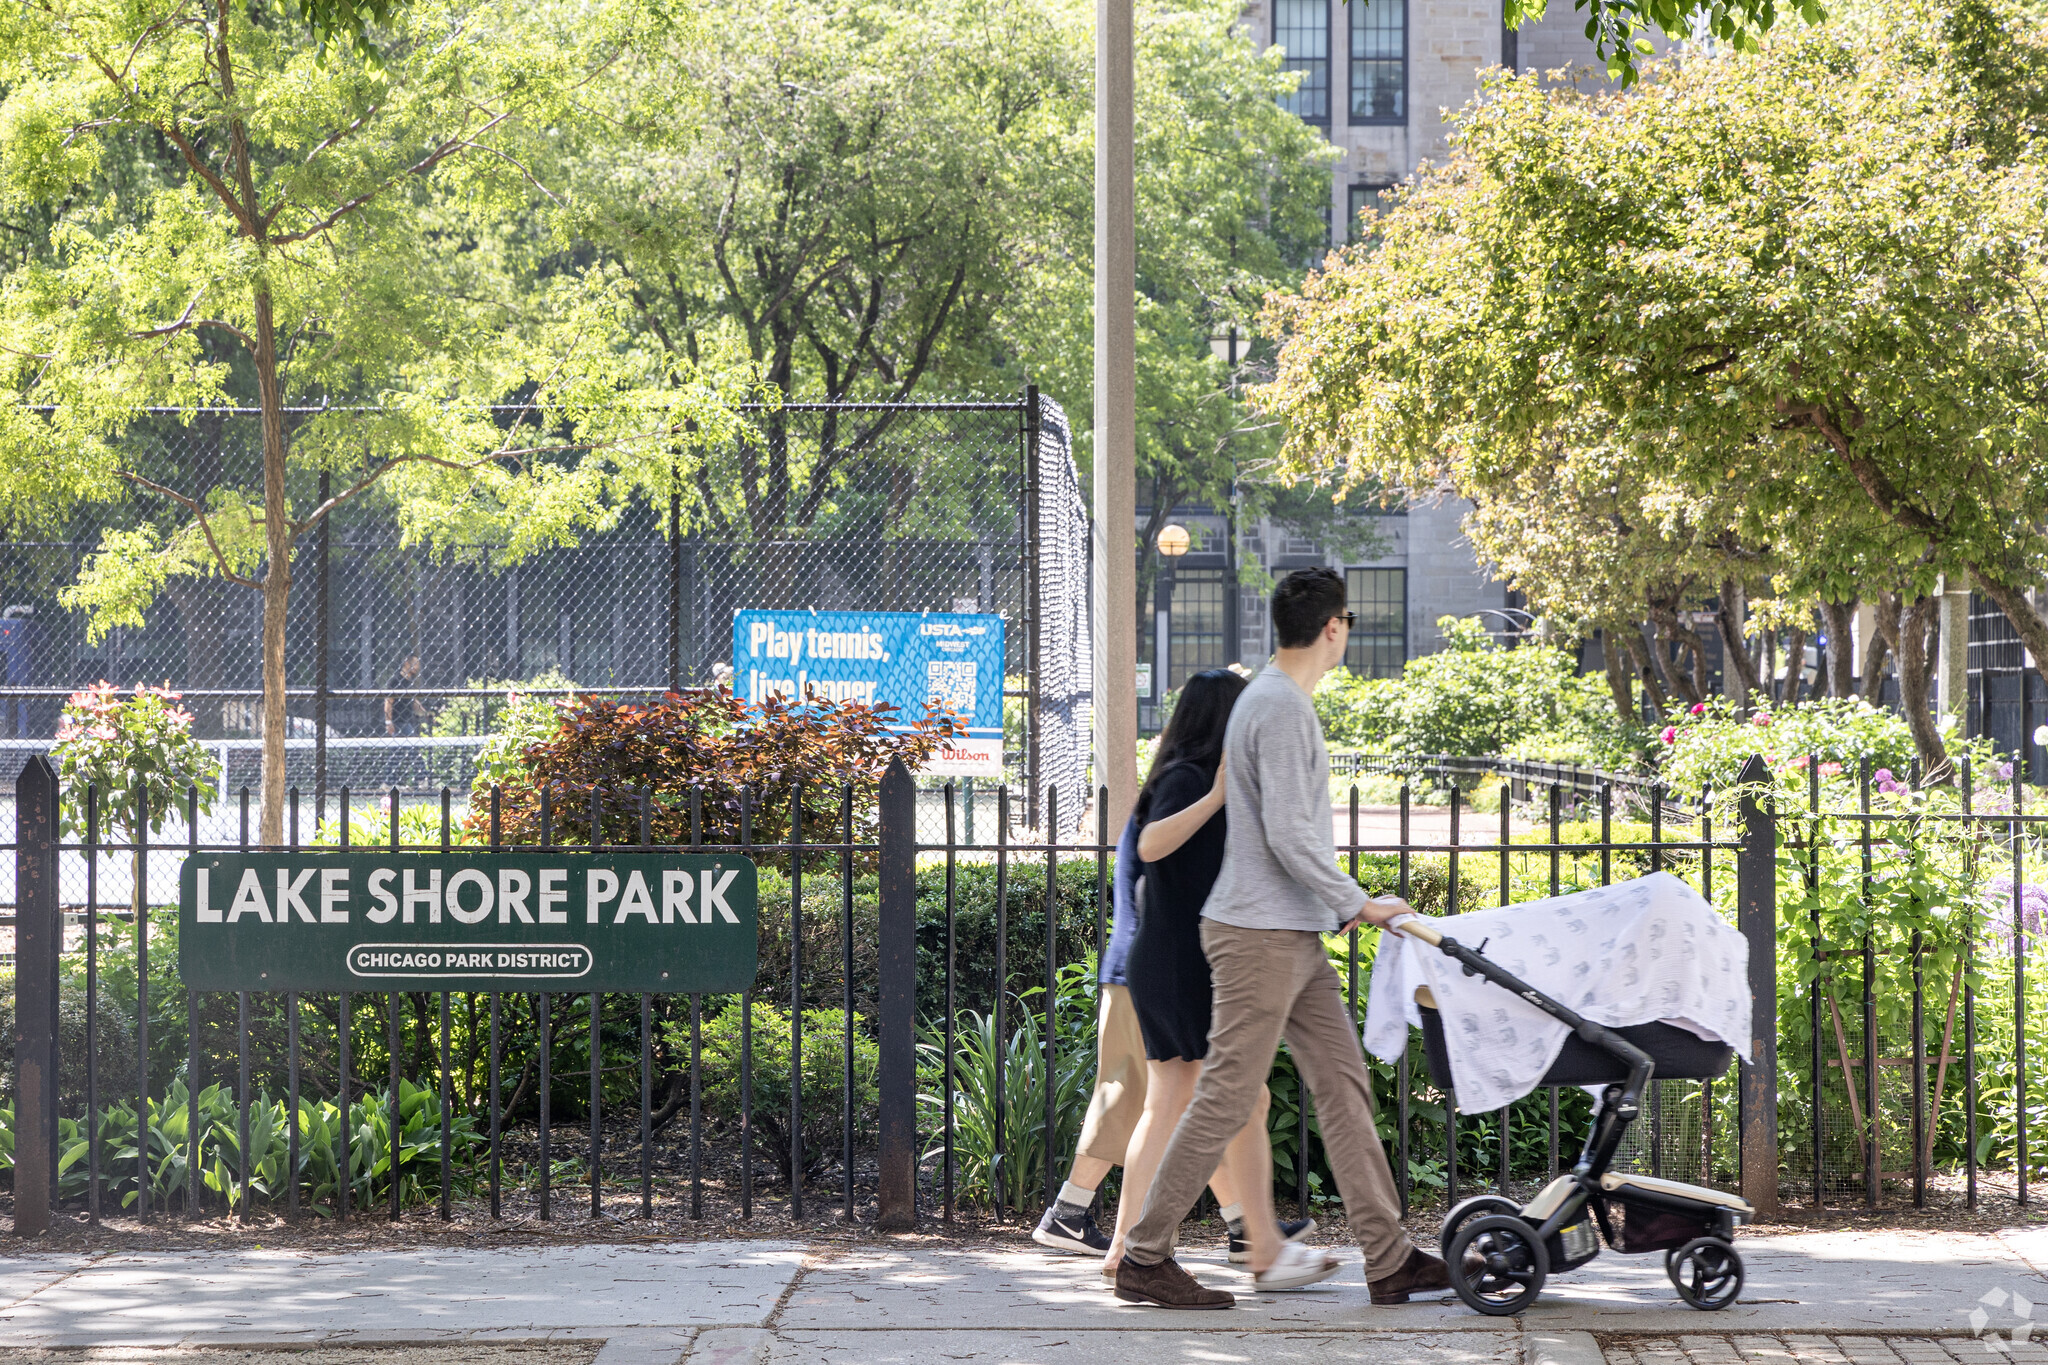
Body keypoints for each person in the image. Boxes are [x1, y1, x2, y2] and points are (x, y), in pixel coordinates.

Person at [1112, 567, 1452, 1311]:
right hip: (1257, 936)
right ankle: (1144, 1256)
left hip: (1289, 932)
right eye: (1347, 623)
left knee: (1342, 1085)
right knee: (1225, 1095)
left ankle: (1389, 1257)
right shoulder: (1279, 707)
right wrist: (1360, 903)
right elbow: (1292, 835)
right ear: (1334, 627)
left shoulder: (1269, 700)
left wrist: (1333, 904)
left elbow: (1285, 838)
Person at [1109, 668, 1337, 1291]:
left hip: (1177, 959)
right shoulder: (1188, 777)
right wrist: (1214, 797)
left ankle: (1133, 1248)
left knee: (1181, 1102)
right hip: (1182, 963)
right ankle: (1257, 1247)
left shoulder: (1204, 777)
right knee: (1227, 1099)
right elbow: (1150, 846)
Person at [1033, 806, 1309, 1269]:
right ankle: (1078, 1217)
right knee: (1162, 1098)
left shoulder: (1161, 806)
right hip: (1152, 979)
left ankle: (1242, 1226)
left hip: (1138, 975)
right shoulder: (1179, 806)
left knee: (1186, 1099)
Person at [384, 654, 426, 736]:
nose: (417, 667)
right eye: (415, 663)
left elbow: (413, 700)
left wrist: (425, 713)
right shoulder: (395, 681)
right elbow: (388, 701)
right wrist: (388, 722)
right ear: (406, 663)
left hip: (408, 721)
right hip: (398, 721)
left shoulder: (409, 682)